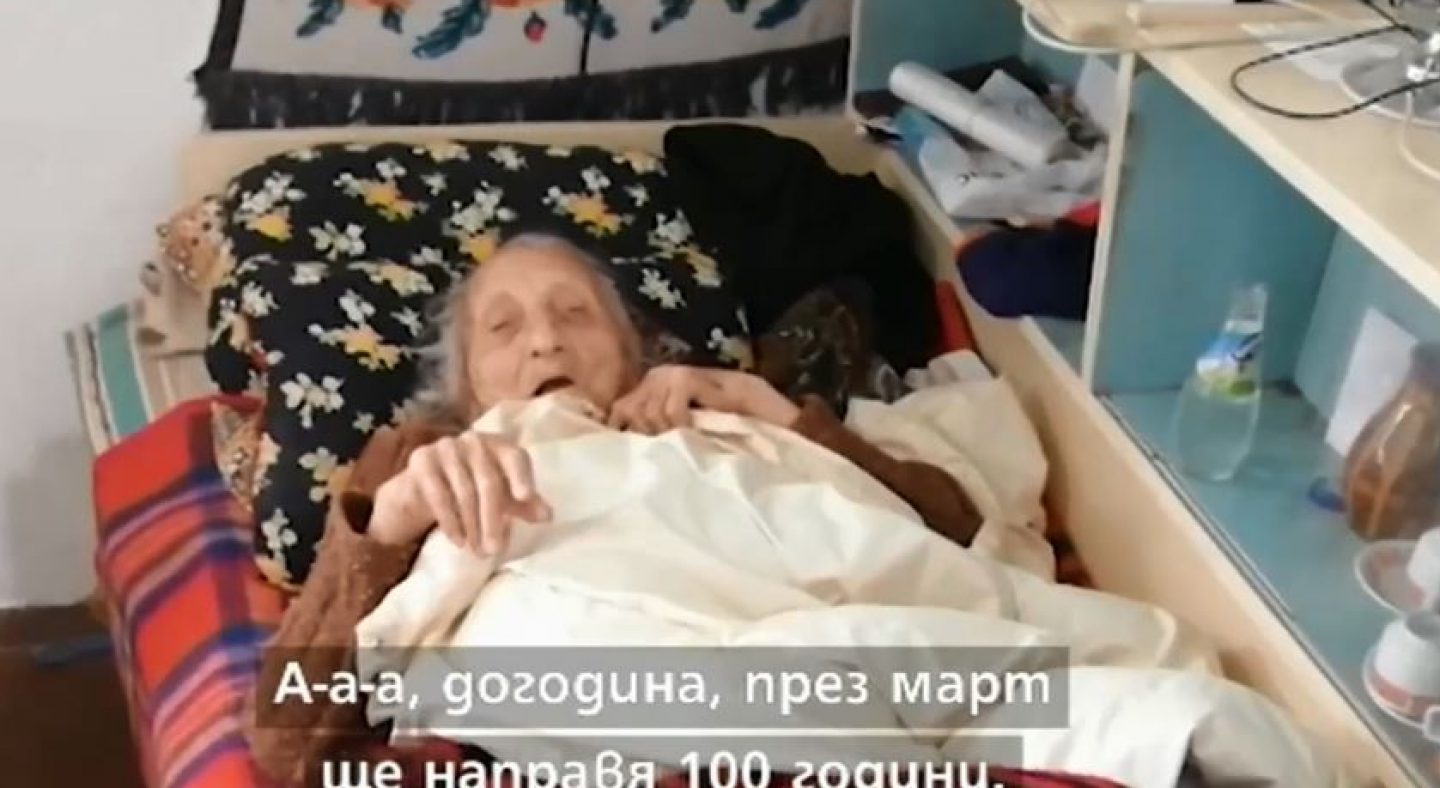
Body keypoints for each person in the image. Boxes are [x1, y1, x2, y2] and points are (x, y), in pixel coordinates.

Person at [247, 233, 984, 786]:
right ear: (466, 387)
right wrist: (394, 517)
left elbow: (953, 535)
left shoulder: (711, 421)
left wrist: (762, 404)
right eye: (503, 328)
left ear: (633, 354)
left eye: (576, 314)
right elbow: (286, 738)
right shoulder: (427, 459)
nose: (546, 340)